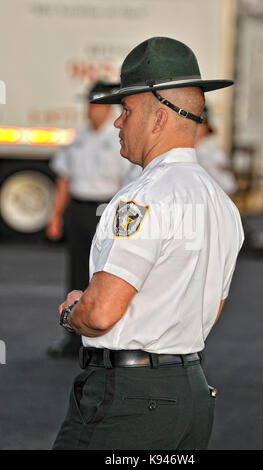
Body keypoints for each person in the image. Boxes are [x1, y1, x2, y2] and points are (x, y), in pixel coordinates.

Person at [52, 37, 244, 450]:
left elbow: (101, 313)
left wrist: (71, 313)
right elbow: (210, 309)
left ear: (158, 120)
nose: (117, 122)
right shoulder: (222, 204)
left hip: (129, 401)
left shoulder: (142, 196)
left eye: (126, 110)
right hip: (190, 394)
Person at [46, 80, 133, 358]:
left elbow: (129, 183)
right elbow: (64, 179)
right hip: (78, 209)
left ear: (107, 109)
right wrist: (55, 215)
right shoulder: (78, 138)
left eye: (96, 104)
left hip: (104, 211)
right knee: (75, 274)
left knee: (103, 276)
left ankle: (100, 341)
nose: (91, 110)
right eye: (89, 104)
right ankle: (72, 339)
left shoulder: (117, 138)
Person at [195, 106, 236, 196]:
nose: (194, 128)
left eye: (198, 124)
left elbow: (227, 187)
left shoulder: (216, 156)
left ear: (205, 127)